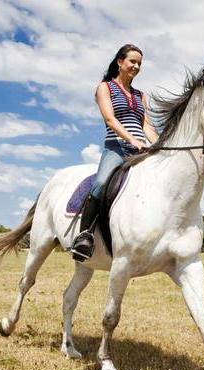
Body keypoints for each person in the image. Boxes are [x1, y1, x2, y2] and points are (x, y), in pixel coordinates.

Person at [71, 44, 159, 261]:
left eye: (140, 63)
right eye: (132, 61)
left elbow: (146, 125)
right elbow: (110, 119)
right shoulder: (105, 88)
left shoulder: (140, 95)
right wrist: (132, 140)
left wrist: (159, 144)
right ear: (120, 62)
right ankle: (85, 236)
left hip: (140, 149)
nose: (136, 66)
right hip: (116, 148)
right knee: (101, 183)